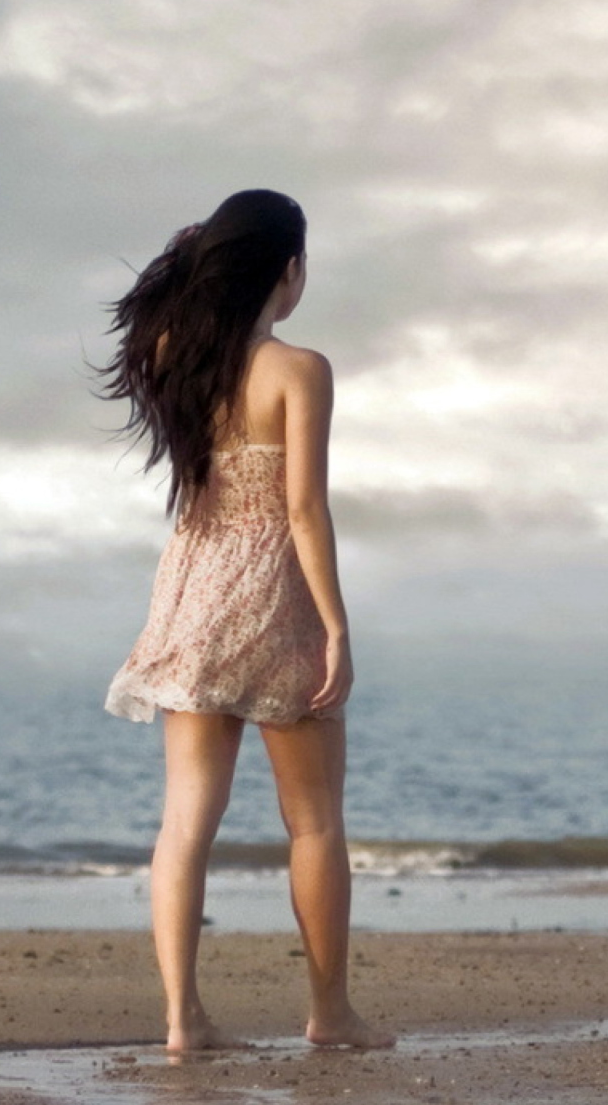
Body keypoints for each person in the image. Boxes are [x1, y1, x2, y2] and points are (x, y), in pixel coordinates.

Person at [101, 189, 393, 1055]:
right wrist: (337, 625)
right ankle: (330, 1013)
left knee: (186, 820)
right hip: (273, 599)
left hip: (193, 593)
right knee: (314, 821)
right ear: (289, 270)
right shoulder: (299, 370)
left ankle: (182, 1019)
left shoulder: (170, 353)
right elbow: (304, 511)